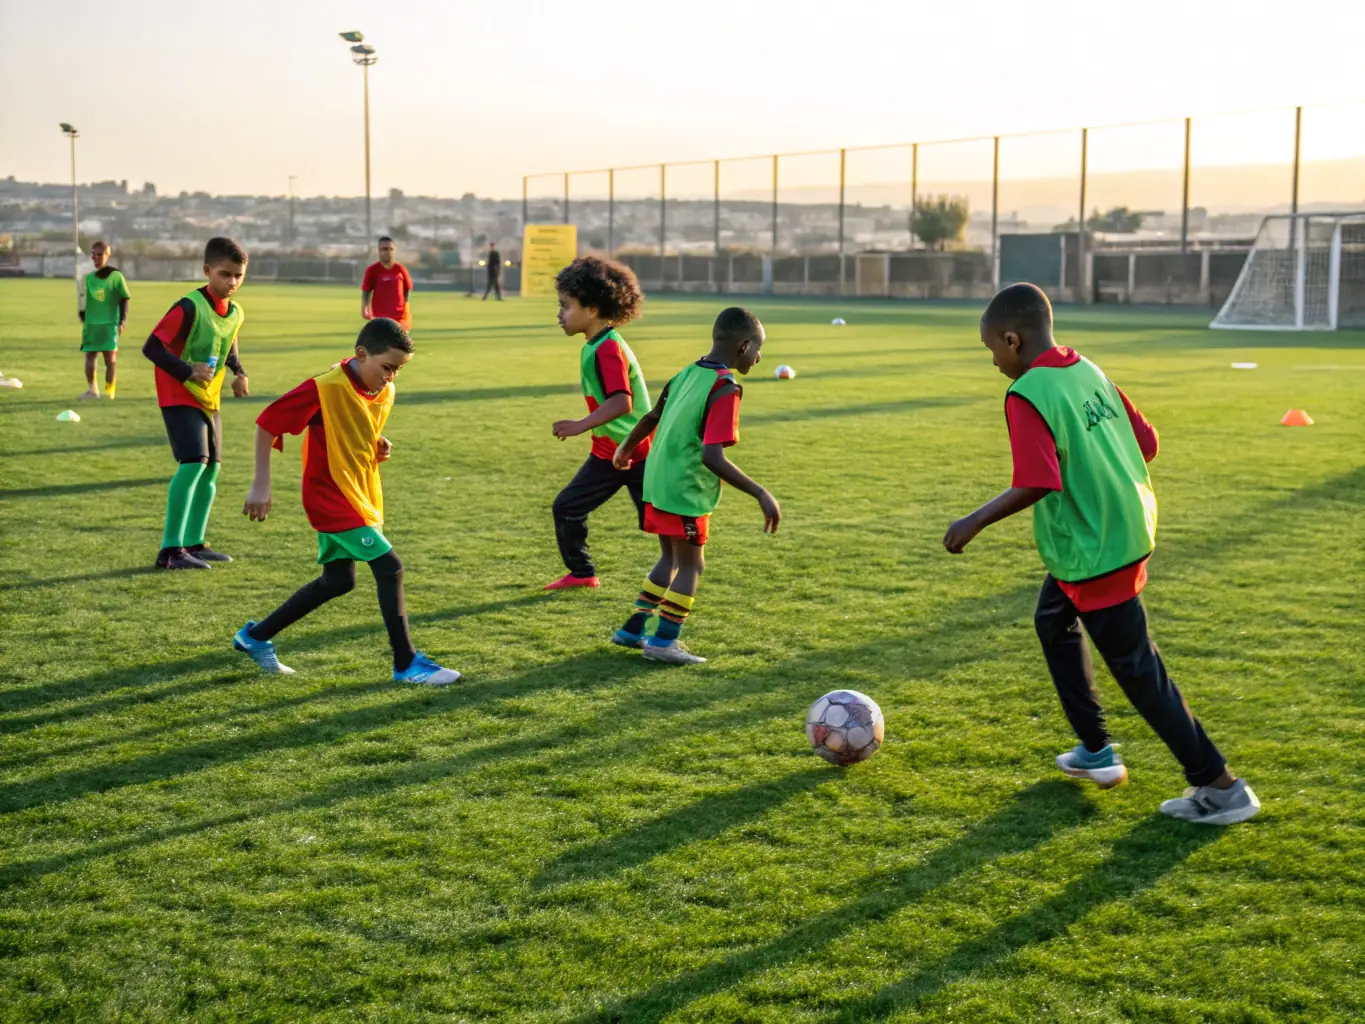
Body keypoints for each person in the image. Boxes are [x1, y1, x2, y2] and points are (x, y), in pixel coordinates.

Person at [943, 283, 1260, 825]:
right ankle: (1095, 749)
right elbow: (1148, 442)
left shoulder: (1027, 394)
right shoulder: (1088, 370)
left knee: (1139, 670)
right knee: (1052, 619)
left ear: (1012, 339)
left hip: (1096, 549)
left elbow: (1037, 481)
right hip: (1120, 530)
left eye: (991, 348)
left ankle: (1221, 786)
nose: (993, 359)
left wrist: (971, 522)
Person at [234, 317, 460, 686]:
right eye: (387, 367)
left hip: (360, 490)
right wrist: (261, 486)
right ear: (360, 354)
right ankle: (406, 664)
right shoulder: (324, 388)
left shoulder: (382, 389)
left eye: (398, 370)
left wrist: (376, 442)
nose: (391, 377)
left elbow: (352, 427)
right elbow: (267, 423)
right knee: (390, 567)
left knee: (338, 581)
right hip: (330, 495)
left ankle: (255, 637)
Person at [609, 306, 781, 665]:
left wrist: (626, 449)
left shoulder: (687, 372)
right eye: (758, 349)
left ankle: (633, 629)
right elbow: (711, 457)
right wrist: (760, 493)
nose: (759, 357)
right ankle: (664, 641)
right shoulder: (724, 387)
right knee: (692, 566)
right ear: (744, 345)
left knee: (669, 558)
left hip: (656, 481)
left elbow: (652, 416)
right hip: (685, 488)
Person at [141, 236, 251, 570]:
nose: (232, 282)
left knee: (211, 469)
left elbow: (228, 343)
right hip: (178, 393)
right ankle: (170, 550)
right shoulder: (188, 306)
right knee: (193, 464)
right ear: (207, 271)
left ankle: (194, 543)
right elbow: (152, 347)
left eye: (238, 275)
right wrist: (187, 370)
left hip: (209, 397)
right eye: (224, 274)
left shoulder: (235, 312)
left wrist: (239, 372)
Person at [545, 256, 654, 591]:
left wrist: (580, 424)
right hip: (612, 449)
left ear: (592, 309)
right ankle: (582, 573)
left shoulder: (608, 348)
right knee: (567, 507)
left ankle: (684, 566)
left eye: (566, 306)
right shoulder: (596, 343)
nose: (560, 314)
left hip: (634, 451)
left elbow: (623, 402)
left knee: (658, 520)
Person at [77, 240, 130, 400]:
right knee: (90, 356)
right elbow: (83, 298)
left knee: (110, 359)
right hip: (92, 324)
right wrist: (82, 314)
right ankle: (93, 391)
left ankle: (109, 392)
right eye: (93, 254)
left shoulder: (116, 276)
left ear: (107, 255)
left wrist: (122, 320)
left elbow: (124, 298)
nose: (95, 257)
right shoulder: (88, 277)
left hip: (109, 324)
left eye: (99, 254)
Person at [361, 236, 413, 330]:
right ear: (379, 251)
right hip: (379, 318)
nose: (388, 252)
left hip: (399, 320)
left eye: (391, 249)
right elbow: (366, 290)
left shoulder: (400, 269)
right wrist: (365, 308)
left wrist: (406, 313)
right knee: (381, 344)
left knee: (398, 344)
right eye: (384, 249)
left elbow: (407, 289)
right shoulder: (373, 270)